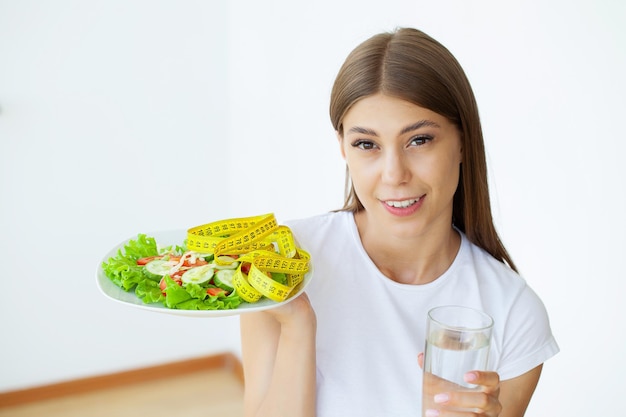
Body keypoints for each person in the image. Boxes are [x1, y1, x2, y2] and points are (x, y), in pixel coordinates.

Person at [240, 27, 559, 417]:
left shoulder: (512, 311)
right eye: (367, 144)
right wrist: (298, 323)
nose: (394, 174)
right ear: (343, 147)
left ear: (462, 141)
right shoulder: (281, 261)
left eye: (419, 140)